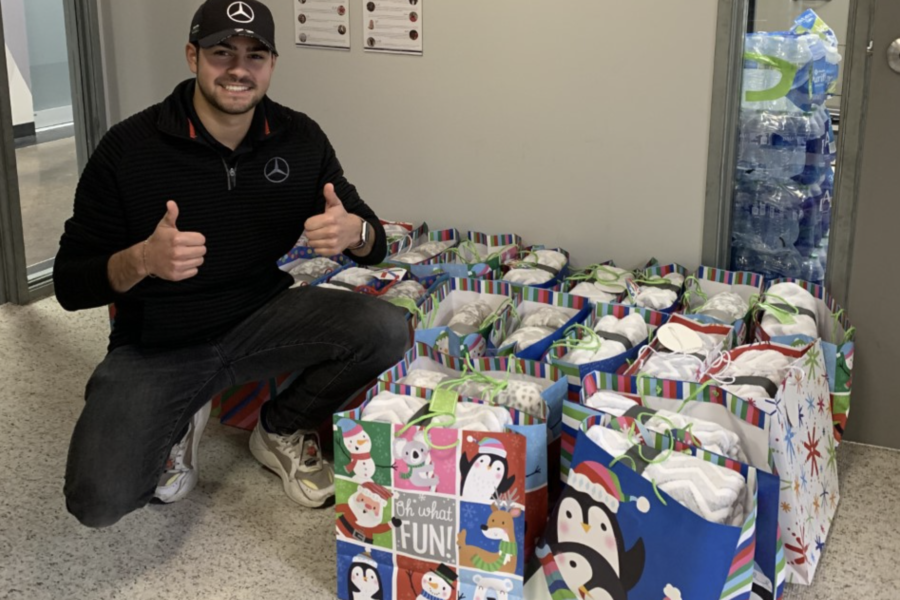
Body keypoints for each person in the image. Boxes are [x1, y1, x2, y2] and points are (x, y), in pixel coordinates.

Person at [54, 0, 410, 528]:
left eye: (255, 55)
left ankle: (281, 426)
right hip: (159, 343)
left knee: (387, 328)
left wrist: (355, 232)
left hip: (261, 317)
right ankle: (182, 415)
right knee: (99, 500)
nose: (239, 69)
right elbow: (68, 284)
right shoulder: (128, 149)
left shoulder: (300, 137)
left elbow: (374, 240)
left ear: (272, 64)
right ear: (193, 56)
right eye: (223, 53)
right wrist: (141, 260)